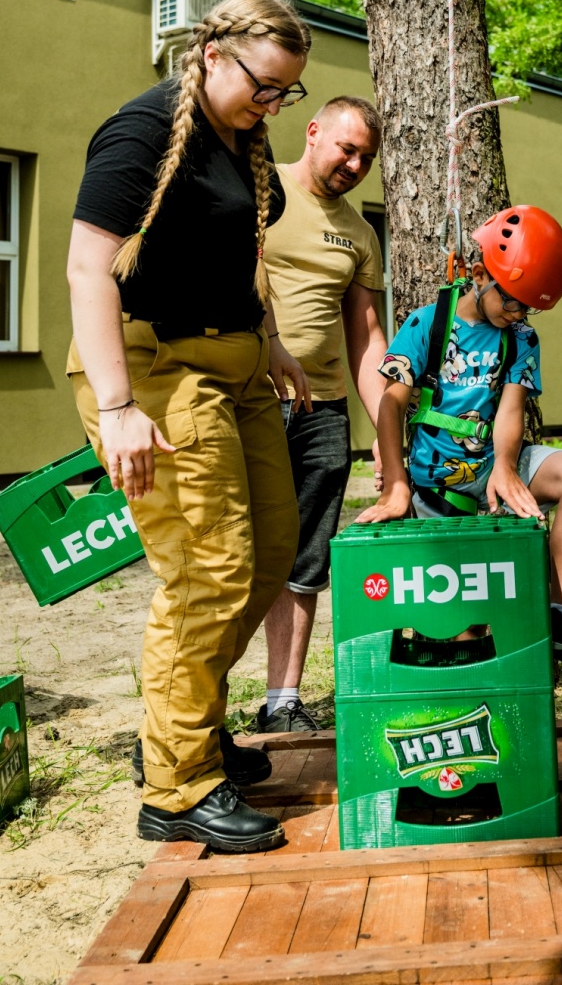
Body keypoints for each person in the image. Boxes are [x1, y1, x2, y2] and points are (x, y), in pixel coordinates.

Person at [66, 0, 312, 854]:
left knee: (270, 554)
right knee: (210, 569)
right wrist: (118, 408)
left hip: (236, 365)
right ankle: (177, 786)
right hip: (156, 369)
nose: (272, 104)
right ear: (212, 54)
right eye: (263, 85)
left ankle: (184, 727)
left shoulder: (244, 137)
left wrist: (270, 340)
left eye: (285, 93)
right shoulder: (141, 133)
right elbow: (87, 270)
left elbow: (238, 253)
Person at [356, 205, 562, 672]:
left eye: (528, 306)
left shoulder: (521, 338)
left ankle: (556, 617)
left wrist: (505, 467)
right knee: (463, 643)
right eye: (512, 301)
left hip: (492, 463)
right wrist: (397, 485)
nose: (518, 313)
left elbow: (510, 409)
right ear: (481, 275)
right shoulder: (428, 324)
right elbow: (390, 405)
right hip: (436, 484)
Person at [253, 96, 389, 734]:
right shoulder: (260, 191)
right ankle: (196, 713)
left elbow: (367, 340)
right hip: (248, 400)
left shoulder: (360, 235)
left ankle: (282, 702)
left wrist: (387, 434)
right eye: (347, 148)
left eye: (367, 158)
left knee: (305, 558)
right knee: (232, 555)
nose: (355, 165)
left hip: (323, 411)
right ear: (313, 132)